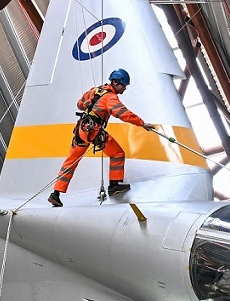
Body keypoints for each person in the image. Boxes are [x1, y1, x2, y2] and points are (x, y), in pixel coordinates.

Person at [47, 68, 153, 207]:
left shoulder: (94, 90)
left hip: (81, 130)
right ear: (115, 82)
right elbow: (122, 113)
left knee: (71, 161)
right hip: (93, 130)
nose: (125, 88)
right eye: (123, 85)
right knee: (117, 153)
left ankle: (56, 193)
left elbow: (80, 104)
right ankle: (114, 185)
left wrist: (92, 106)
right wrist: (142, 123)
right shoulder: (110, 98)